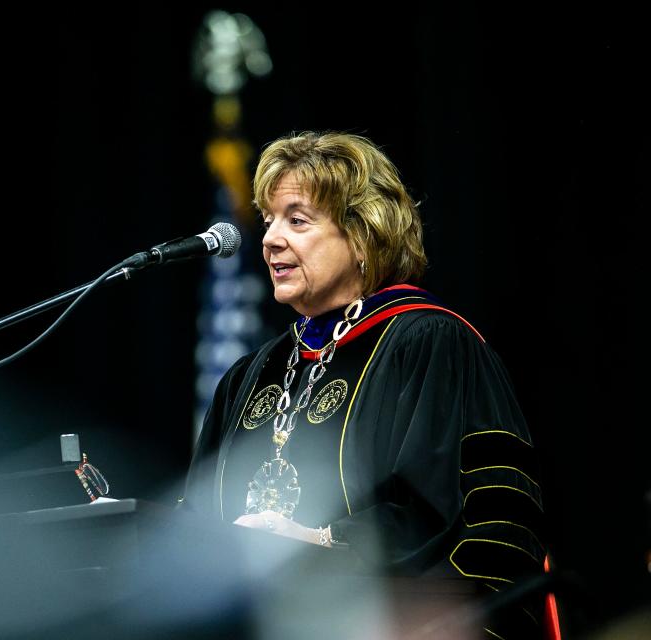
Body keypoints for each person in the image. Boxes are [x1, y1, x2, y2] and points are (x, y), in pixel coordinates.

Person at [181, 131, 546, 638]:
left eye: (297, 220)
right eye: (267, 221)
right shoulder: (250, 375)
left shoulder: (429, 343)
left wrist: (317, 540)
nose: (268, 240)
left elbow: (475, 522)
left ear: (362, 235)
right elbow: (198, 519)